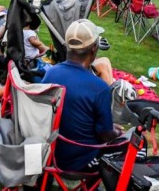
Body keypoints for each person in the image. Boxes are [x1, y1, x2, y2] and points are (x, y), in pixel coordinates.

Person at [41, 19, 125, 174]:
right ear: (94, 48)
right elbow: (105, 136)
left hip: (49, 152)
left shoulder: (51, 73)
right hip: (81, 161)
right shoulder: (99, 88)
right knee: (135, 144)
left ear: (67, 46)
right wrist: (118, 133)